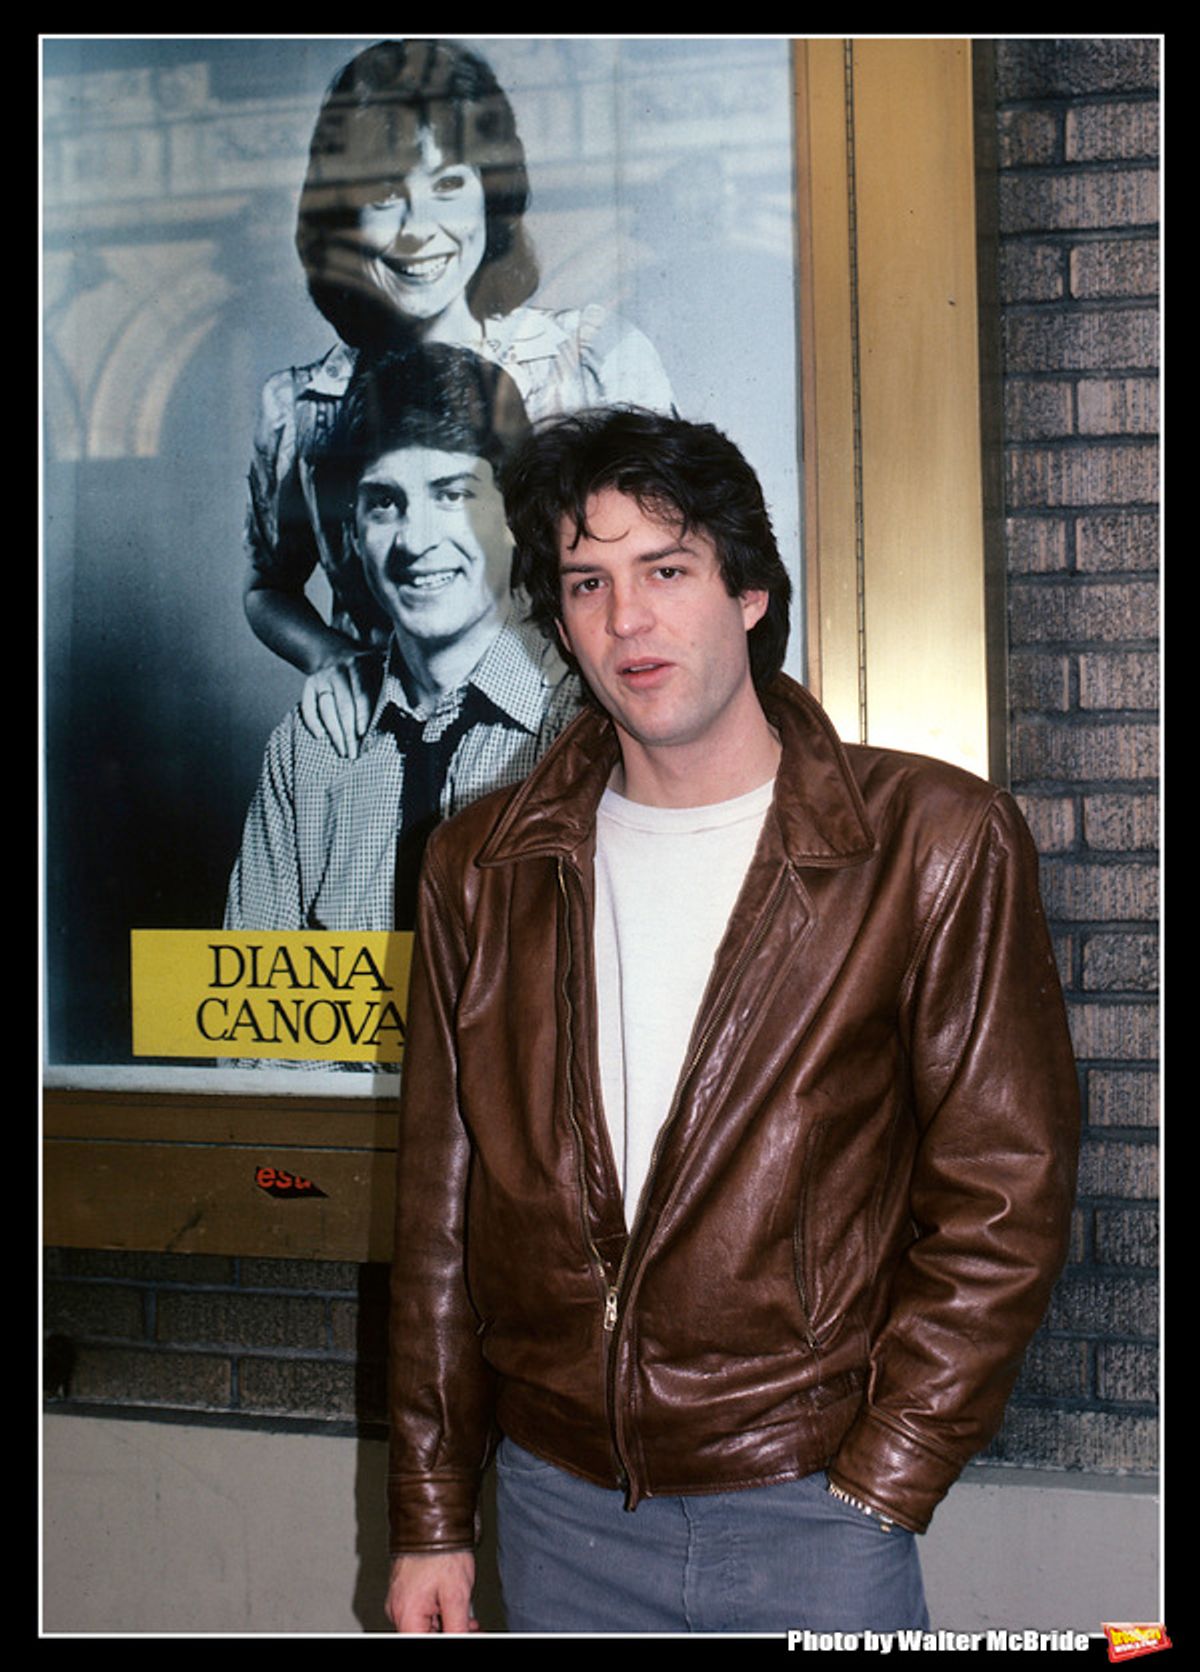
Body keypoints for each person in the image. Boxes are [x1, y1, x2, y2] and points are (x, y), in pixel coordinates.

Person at [384, 407, 1080, 1633]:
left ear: (749, 591)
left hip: (808, 1504)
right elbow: (442, 1216)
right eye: (587, 583)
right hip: (554, 1508)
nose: (627, 620)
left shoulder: (931, 842)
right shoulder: (480, 868)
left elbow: (1005, 1195)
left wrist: (884, 1477)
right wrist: (434, 1513)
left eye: (667, 569)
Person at [244, 37, 672, 758]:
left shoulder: (592, 363)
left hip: (570, 747)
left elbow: (667, 572)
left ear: (491, 192)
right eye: (384, 196)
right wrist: (331, 657)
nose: (419, 232)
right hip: (388, 750)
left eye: (448, 186)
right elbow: (267, 589)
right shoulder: (303, 407)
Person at [225, 344, 578, 945]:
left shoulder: (579, 722)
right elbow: (252, 1022)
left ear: (516, 515)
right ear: (352, 531)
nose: (417, 542)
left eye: (453, 495)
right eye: (385, 503)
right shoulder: (309, 746)